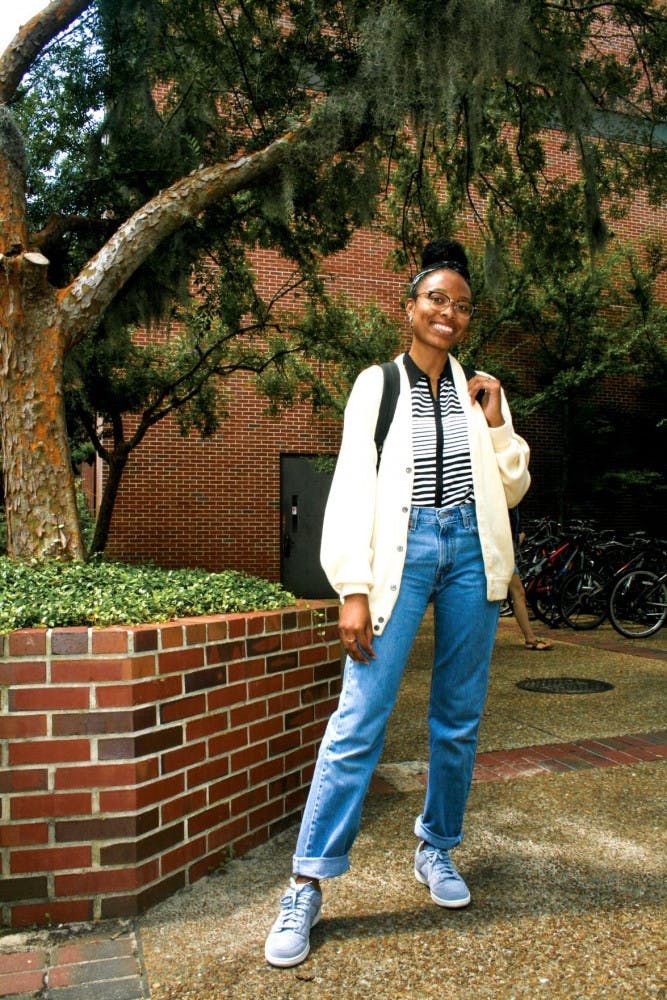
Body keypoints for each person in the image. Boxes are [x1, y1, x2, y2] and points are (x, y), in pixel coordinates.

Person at [264, 237, 531, 968]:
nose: (448, 312)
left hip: (471, 558)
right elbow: (351, 486)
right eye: (436, 299)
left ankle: (437, 848)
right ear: (409, 307)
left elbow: (509, 487)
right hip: (401, 558)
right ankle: (307, 882)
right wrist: (351, 586)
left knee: (457, 719)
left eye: (462, 305)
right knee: (358, 718)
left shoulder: (477, 389)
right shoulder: (377, 385)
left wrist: (499, 417)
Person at [508, 507, 553, 651]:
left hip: (504, 553)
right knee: (518, 593)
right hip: (501, 553)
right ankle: (530, 638)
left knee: (518, 593)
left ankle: (530, 638)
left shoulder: (510, 501)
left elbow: (519, 532)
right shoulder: (504, 496)